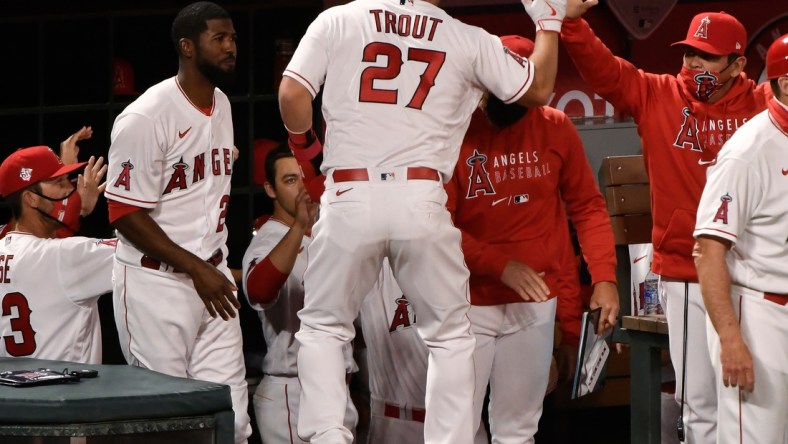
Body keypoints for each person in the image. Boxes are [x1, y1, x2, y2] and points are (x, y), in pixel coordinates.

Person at [278, 0, 574, 441]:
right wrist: (550, 19)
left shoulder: (340, 17)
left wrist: (308, 155)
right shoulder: (465, 35)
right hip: (421, 195)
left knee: (324, 326)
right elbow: (538, 89)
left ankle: (326, 436)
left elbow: (292, 95)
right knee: (452, 337)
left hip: (350, 190)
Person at [561, 3, 772, 441]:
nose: (694, 63)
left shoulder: (763, 105)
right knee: (700, 404)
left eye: (707, 56)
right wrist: (571, 24)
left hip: (754, 278)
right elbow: (605, 72)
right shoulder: (658, 94)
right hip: (687, 272)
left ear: (738, 64)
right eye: (689, 52)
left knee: (760, 401)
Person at [445, 34, 619, 444]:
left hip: (535, 303)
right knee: (456, 431)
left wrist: (605, 278)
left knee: (518, 430)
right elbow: (436, 224)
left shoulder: (555, 127)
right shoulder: (452, 131)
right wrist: (498, 265)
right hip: (467, 301)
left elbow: (588, 208)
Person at [103, 2, 251, 442]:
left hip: (212, 275)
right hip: (156, 284)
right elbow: (123, 212)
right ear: (187, 47)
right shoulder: (146, 116)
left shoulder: (222, 104)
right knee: (166, 424)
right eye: (219, 38)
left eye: (233, 38)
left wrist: (208, 268)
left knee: (233, 420)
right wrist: (195, 267)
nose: (231, 47)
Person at [693, 34, 788, 444]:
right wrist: (731, 340)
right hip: (761, 315)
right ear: (784, 82)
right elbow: (708, 250)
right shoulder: (749, 150)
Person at [241, 145, 358, 444]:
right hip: (293, 393)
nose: (303, 187)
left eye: (306, 177)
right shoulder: (268, 239)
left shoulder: (329, 234)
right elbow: (258, 290)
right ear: (270, 189)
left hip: (340, 392)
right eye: (290, 180)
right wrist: (299, 227)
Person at [0, 146, 111, 364]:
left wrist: (77, 212)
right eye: (59, 183)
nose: (70, 189)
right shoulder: (65, 256)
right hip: (65, 392)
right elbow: (142, 251)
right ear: (31, 199)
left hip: (10, 394)